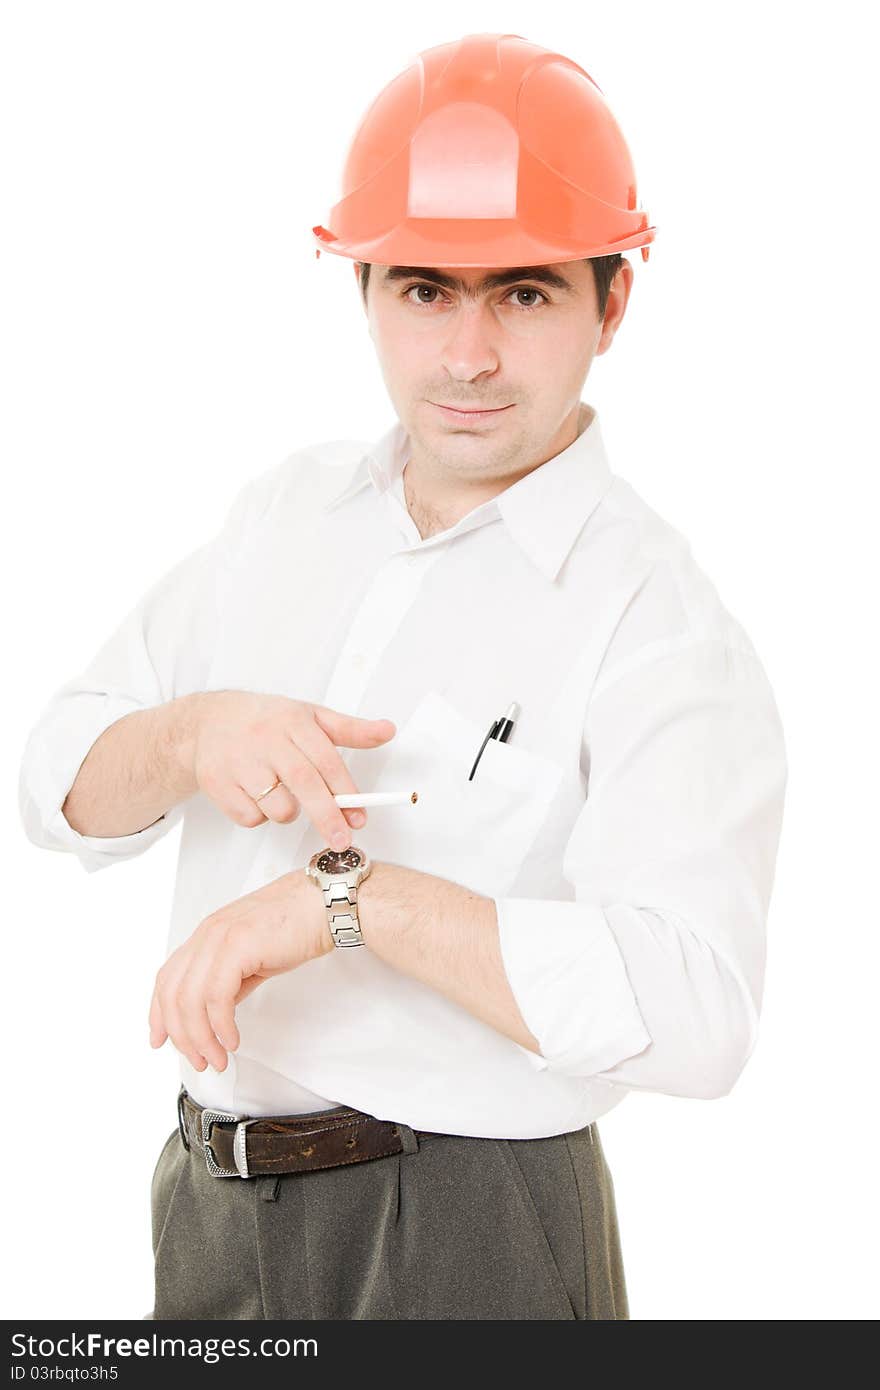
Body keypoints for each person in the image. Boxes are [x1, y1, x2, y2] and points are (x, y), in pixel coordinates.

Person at [18, 32, 788, 1322]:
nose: (468, 355)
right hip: (209, 1213)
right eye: (427, 290)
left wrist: (351, 903)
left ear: (614, 301)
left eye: (526, 293)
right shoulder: (283, 516)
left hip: (470, 1235)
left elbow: (699, 1012)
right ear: (363, 284)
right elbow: (55, 789)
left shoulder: (656, 619)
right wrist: (192, 734)